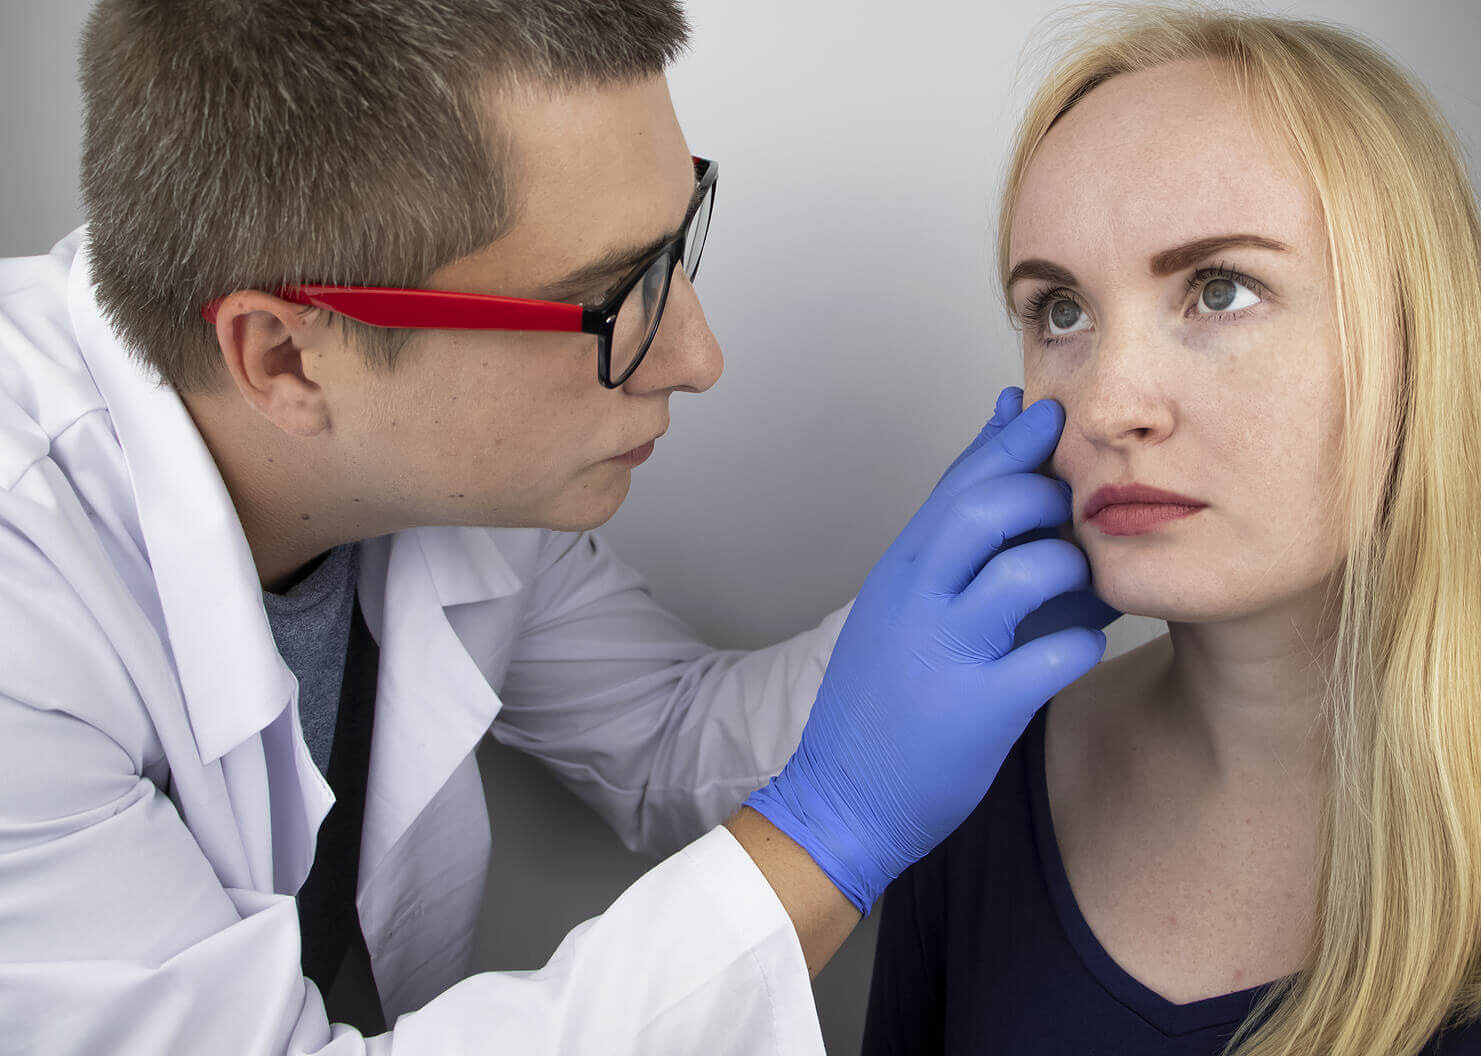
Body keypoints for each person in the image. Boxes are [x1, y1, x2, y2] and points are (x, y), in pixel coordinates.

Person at [0, 1, 1116, 1052]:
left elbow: (668, 739)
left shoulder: (441, 480)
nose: (696, 356)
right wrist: (829, 833)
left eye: (675, 247)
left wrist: (980, 587)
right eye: (609, 297)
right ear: (288, 356)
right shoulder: (25, 594)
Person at [863, 6, 1481, 1055]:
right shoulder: (977, 783)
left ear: (1418, 341)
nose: (1110, 403)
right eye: (1059, 312)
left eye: (1220, 290)